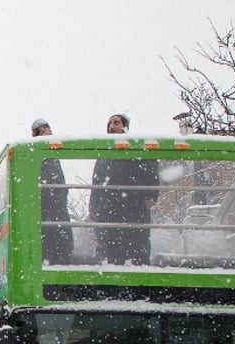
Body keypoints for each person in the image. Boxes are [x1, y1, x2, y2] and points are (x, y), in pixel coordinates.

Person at [89, 113, 159, 265]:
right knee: (113, 252)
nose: (112, 126)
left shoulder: (136, 149)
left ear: (125, 126)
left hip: (134, 208)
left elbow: (152, 172)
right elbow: (96, 184)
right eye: (110, 124)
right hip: (110, 211)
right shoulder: (104, 154)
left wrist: (152, 197)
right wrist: (93, 208)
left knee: (139, 250)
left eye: (116, 123)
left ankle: (141, 283)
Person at [31, 119, 73, 264]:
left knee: (61, 253)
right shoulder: (36, 158)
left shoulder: (53, 158)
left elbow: (59, 189)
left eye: (49, 132)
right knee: (49, 252)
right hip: (45, 218)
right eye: (44, 133)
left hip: (58, 216)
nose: (49, 136)